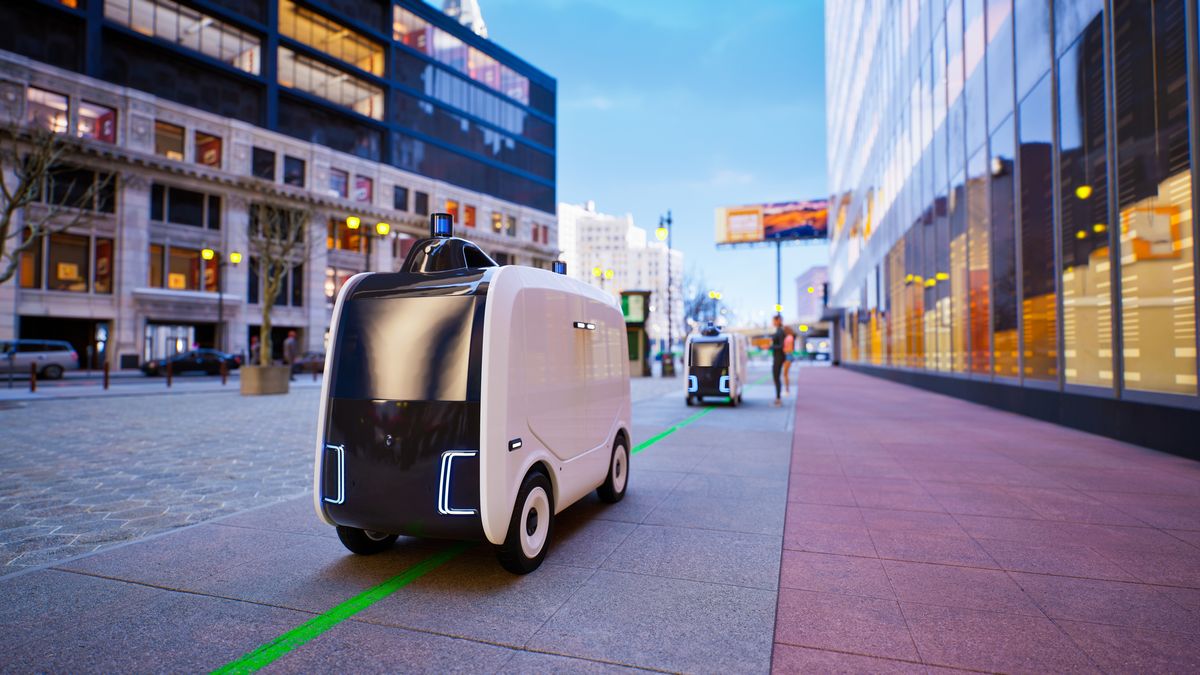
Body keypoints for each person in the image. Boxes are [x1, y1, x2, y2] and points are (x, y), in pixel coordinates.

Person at [770, 315, 785, 406]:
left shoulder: (780, 331)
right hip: (777, 356)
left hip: (779, 357)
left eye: (774, 321)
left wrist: (770, 346)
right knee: (776, 377)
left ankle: (778, 399)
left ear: (778, 320)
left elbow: (781, 346)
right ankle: (778, 398)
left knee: (776, 377)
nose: (773, 322)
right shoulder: (779, 331)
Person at [782, 326, 796, 395]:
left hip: (788, 355)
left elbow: (790, 349)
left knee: (785, 374)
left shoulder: (789, 337)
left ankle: (787, 390)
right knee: (785, 374)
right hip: (787, 355)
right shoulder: (789, 337)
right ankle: (787, 389)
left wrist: (783, 350)